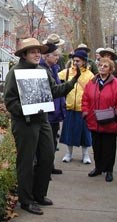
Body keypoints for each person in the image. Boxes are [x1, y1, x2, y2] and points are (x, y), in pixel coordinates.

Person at [4, 38, 81, 215]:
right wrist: (26, 110)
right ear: (24, 54)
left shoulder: (43, 71)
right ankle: (26, 200)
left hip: (42, 120)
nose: (38, 54)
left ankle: (39, 194)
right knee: (27, 162)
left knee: (47, 157)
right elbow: (9, 102)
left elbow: (54, 91)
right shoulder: (14, 73)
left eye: (39, 51)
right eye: (33, 51)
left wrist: (73, 81)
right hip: (24, 123)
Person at [82, 57, 117, 182]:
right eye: (100, 65)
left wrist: (116, 114)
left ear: (111, 69)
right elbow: (85, 98)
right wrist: (85, 112)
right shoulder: (92, 82)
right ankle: (98, 168)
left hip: (110, 121)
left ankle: (109, 170)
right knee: (97, 147)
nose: (102, 67)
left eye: (105, 66)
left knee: (109, 148)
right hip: (94, 120)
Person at [58, 50, 94, 164]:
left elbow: (92, 91)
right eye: (74, 60)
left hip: (83, 109)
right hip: (69, 107)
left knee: (85, 134)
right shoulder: (67, 72)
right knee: (69, 132)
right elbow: (55, 78)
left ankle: (85, 155)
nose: (75, 63)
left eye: (78, 61)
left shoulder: (89, 75)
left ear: (84, 61)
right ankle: (68, 153)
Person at [40, 42, 65, 175]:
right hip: (48, 113)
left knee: (53, 141)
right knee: (46, 144)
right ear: (46, 56)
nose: (57, 58)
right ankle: (44, 170)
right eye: (55, 55)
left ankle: (50, 165)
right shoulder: (41, 70)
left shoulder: (54, 68)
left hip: (56, 112)